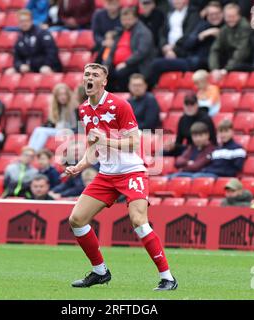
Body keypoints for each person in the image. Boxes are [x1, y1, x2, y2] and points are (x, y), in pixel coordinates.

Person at [65, 63, 178, 291]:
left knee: (138, 220)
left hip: (132, 171)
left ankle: (168, 278)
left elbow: (135, 142)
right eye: (87, 74)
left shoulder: (119, 104)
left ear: (104, 82)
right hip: (106, 175)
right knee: (76, 220)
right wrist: (79, 165)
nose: (90, 77)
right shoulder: (84, 109)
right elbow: (92, 148)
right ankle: (100, 272)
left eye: (95, 75)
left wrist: (105, 140)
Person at [148, 1, 223, 86]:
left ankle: (146, 90)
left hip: (199, 63)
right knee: (155, 63)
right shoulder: (203, 25)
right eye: (211, 14)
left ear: (222, 13)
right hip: (190, 60)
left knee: (157, 64)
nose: (214, 17)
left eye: (217, 13)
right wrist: (201, 36)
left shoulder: (224, 28)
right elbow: (188, 43)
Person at [107, 6, 155, 92]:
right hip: (117, 65)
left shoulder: (143, 32)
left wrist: (126, 63)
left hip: (136, 65)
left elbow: (141, 52)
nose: (126, 22)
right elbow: (112, 52)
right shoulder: (120, 32)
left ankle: (121, 99)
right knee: (102, 74)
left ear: (136, 19)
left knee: (121, 73)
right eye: (123, 20)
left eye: (129, 19)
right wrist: (106, 65)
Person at [6, 9, 62, 75]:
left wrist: (47, 65)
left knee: (45, 70)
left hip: (46, 66)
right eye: (21, 21)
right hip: (30, 68)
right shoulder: (20, 38)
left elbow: (52, 52)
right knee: (9, 72)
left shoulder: (42, 33)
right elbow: (16, 58)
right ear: (18, 23)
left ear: (31, 21)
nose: (24, 23)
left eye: (26, 21)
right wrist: (20, 66)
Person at [209, 3, 252, 82]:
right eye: (228, 17)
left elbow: (241, 51)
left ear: (239, 16)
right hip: (229, 61)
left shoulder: (245, 27)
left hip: (245, 62)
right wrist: (214, 68)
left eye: (233, 16)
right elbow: (214, 49)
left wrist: (226, 69)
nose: (230, 19)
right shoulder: (224, 29)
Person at [163, 93, 216, 157]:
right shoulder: (182, 119)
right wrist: (172, 146)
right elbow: (179, 141)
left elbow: (212, 141)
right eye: (186, 104)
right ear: (183, 105)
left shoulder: (206, 119)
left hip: (203, 149)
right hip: (188, 148)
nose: (189, 107)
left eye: (192, 104)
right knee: (162, 152)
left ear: (197, 105)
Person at [28, 83, 77, 151]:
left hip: (69, 131)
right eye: (60, 95)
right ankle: (29, 150)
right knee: (37, 129)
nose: (63, 97)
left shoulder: (74, 107)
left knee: (43, 132)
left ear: (68, 95)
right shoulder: (57, 108)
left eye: (64, 94)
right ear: (56, 97)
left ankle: (34, 152)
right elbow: (51, 123)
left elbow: (77, 125)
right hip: (59, 130)